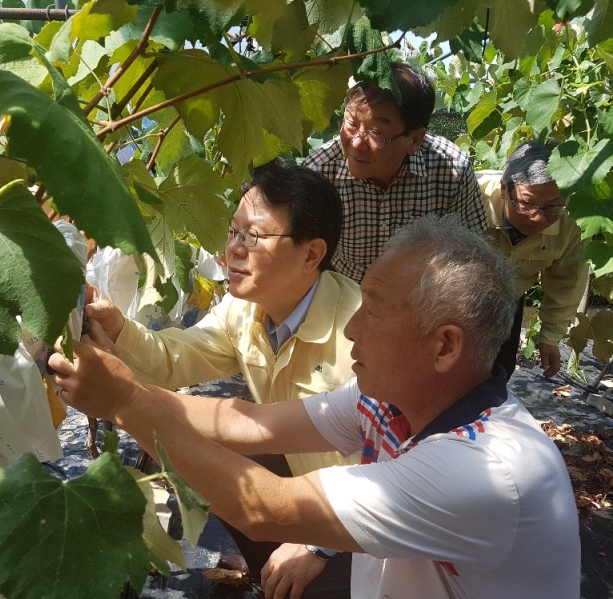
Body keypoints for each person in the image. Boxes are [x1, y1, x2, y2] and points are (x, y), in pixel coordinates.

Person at [50, 215, 581, 599]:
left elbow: (264, 508)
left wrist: (123, 400)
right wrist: (126, 391)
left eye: (372, 311)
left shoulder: (484, 472)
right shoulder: (390, 402)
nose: (353, 327)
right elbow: (250, 423)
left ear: (444, 346)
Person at [84, 158, 361, 596]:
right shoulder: (245, 309)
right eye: (234, 231)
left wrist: (316, 547)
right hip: (297, 484)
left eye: (254, 236)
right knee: (214, 437)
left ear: (312, 253)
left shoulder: (358, 339)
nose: (233, 249)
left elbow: (387, 470)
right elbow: (176, 357)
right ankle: (270, 570)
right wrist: (117, 326)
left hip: (361, 523)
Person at [303, 62, 488, 283]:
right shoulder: (319, 173)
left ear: (415, 139)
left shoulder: (451, 170)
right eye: (351, 123)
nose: (356, 143)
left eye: (377, 132)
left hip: (421, 293)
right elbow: (302, 257)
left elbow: (472, 253)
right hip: (345, 292)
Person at [477, 140, 589, 379]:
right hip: (447, 301)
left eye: (552, 207)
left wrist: (549, 337)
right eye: (527, 204)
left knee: (497, 373)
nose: (538, 218)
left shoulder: (573, 221)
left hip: (508, 301)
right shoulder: (472, 195)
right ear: (504, 190)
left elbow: (567, 282)